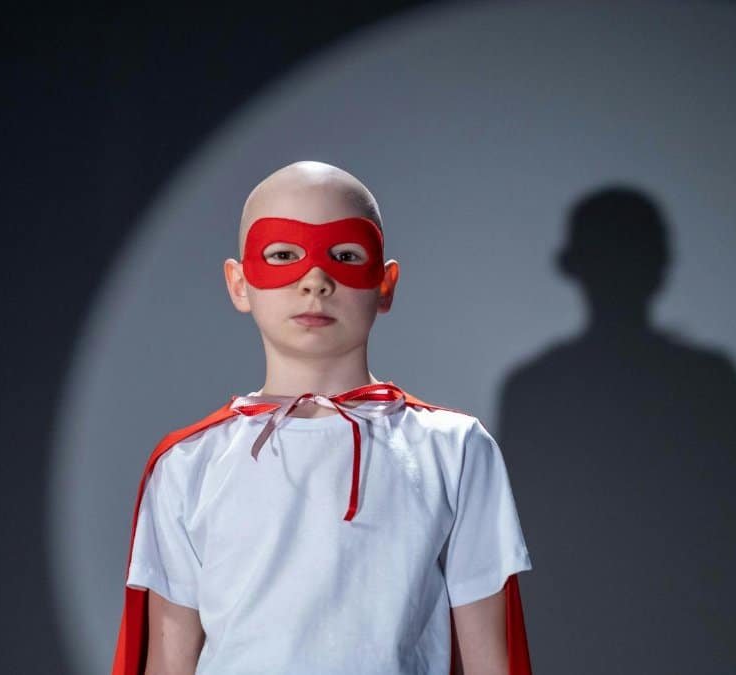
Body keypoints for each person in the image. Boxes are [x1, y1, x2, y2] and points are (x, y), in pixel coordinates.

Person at [110, 160, 533, 675]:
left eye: (345, 255)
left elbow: (490, 656)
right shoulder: (187, 463)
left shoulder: (454, 449)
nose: (315, 279)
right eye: (283, 254)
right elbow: (170, 656)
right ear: (239, 283)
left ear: (384, 282)